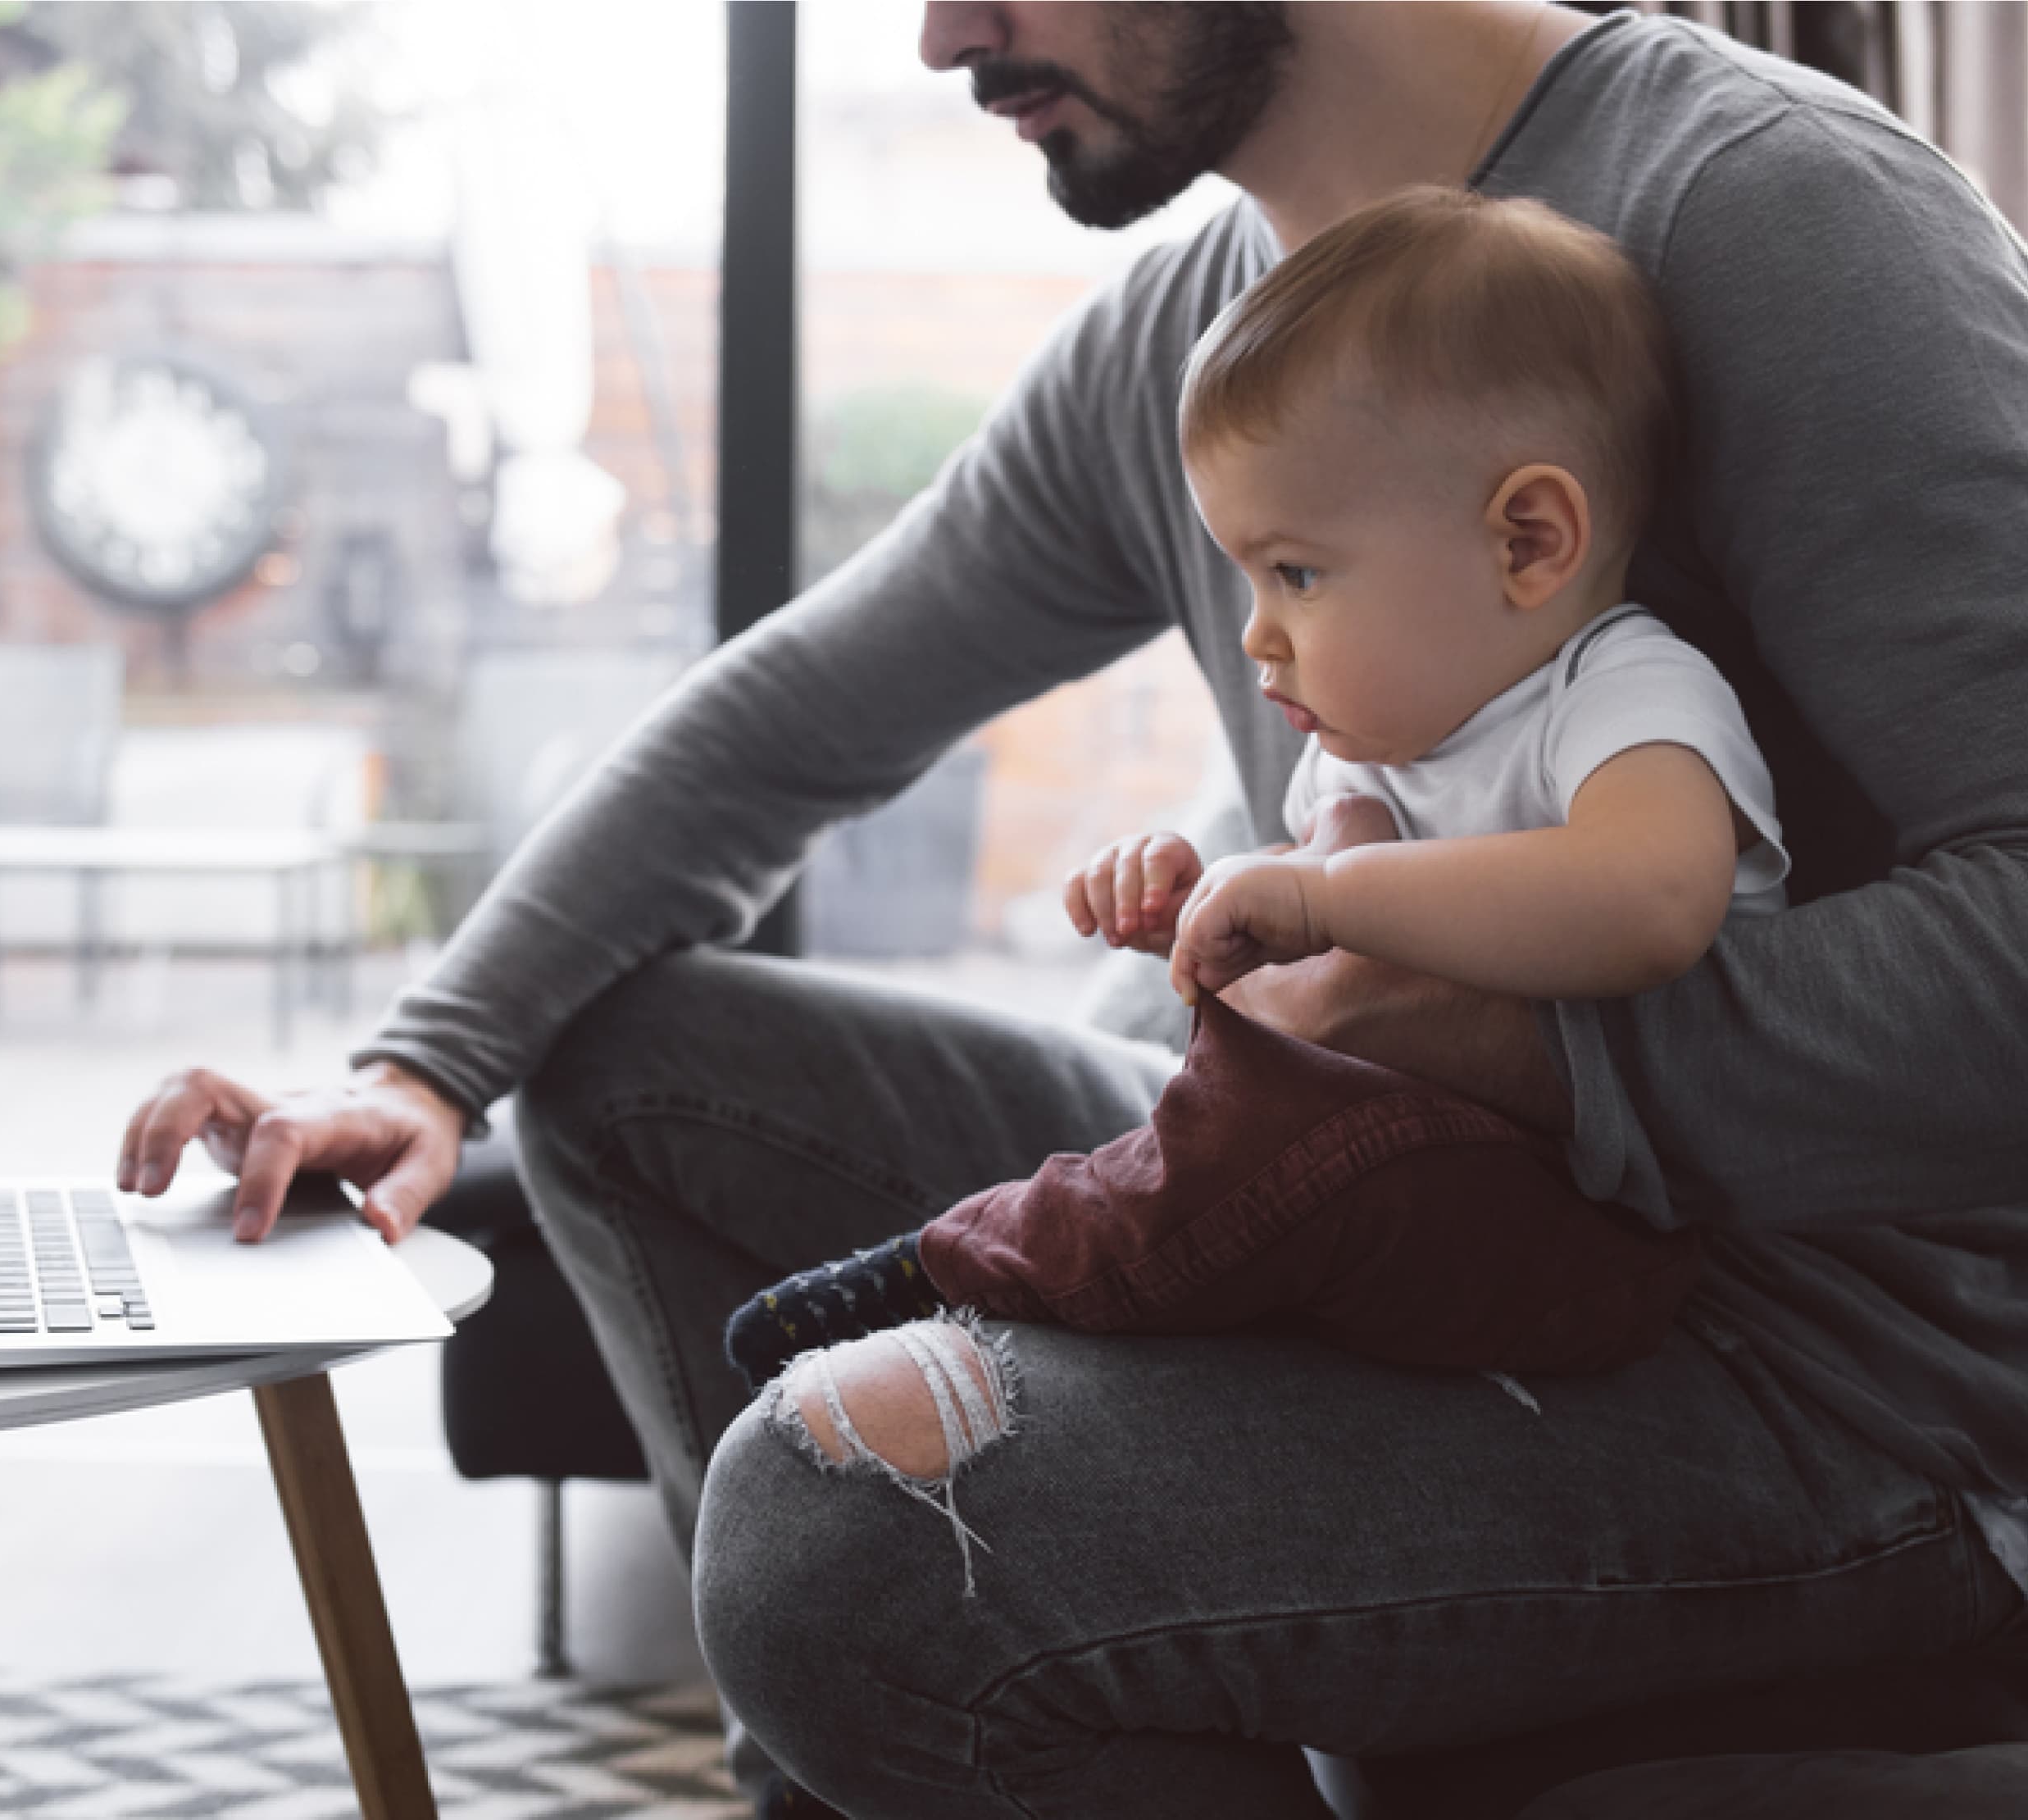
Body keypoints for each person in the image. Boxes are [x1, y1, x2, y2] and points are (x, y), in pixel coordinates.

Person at [116, 6, 2028, 1816]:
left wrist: (1499, 1040)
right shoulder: (1208, 337)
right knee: (631, 1060)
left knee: (840, 1527)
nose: (939, 39)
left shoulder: (1773, 219)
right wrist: (429, 1061)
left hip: (1833, 1375)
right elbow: (794, 715)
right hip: (1376, 1165)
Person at [721, 187, 1776, 1399]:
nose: (1257, 637)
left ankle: (972, 1271)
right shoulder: (1386, 739)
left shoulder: (1623, 691)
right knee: (1253, 1119)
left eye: (1298, 573)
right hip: (1433, 1191)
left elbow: (1652, 898)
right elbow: (1330, 924)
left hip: (1611, 1243)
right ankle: (1032, 1279)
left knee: (1293, 1146)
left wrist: (1323, 906)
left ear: (1527, 541)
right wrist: (1216, 904)